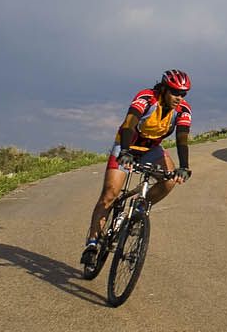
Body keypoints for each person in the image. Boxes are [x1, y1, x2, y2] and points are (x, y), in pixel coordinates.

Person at [82, 69, 193, 269]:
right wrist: (125, 151)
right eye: (176, 92)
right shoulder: (146, 98)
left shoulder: (183, 110)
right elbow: (129, 124)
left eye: (183, 94)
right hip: (127, 144)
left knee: (169, 180)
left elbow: (182, 139)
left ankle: (140, 209)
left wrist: (184, 167)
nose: (179, 98)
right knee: (110, 194)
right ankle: (92, 243)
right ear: (165, 88)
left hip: (151, 148)